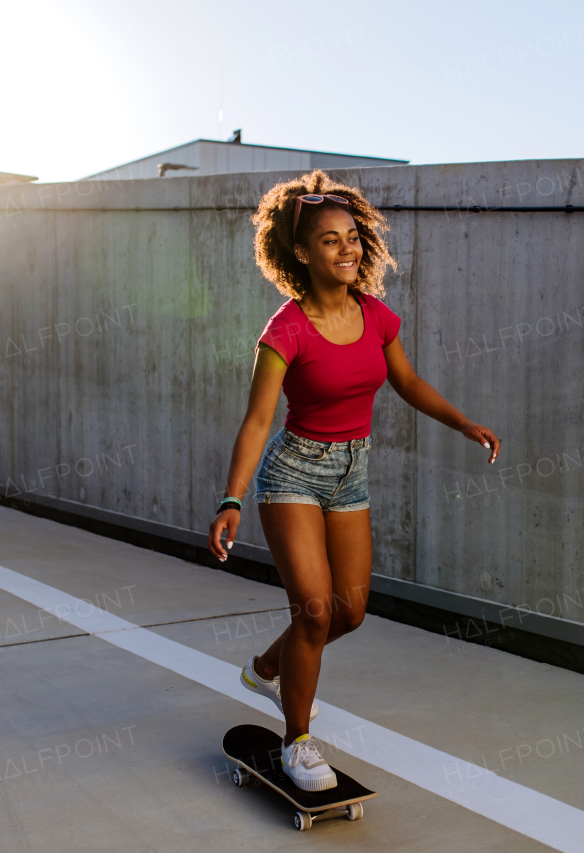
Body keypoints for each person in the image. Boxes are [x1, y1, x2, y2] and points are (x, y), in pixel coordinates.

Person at [207, 170, 501, 792]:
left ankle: (267, 664)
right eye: (330, 241)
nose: (347, 250)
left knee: (350, 613)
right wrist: (233, 498)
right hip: (293, 474)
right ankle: (298, 743)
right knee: (312, 611)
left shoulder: (376, 316)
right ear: (301, 253)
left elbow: (409, 383)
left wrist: (464, 423)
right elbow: (258, 421)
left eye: (352, 238)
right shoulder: (284, 331)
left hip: (351, 473)